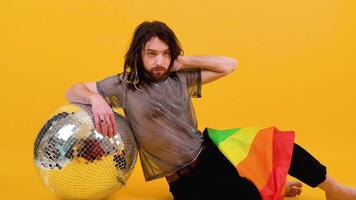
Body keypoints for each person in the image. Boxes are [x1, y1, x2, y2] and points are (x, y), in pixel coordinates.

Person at [65, 21, 356, 200]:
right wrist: (98, 99)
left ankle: (334, 190)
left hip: (211, 149)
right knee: (247, 195)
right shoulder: (124, 85)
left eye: (165, 54)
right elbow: (73, 90)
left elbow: (229, 64)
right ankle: (271, 187)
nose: (159, 61)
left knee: (279, 143)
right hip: (184, 180)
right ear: (139, 55)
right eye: (152, 53)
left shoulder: (180, 77)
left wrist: (182, 60)